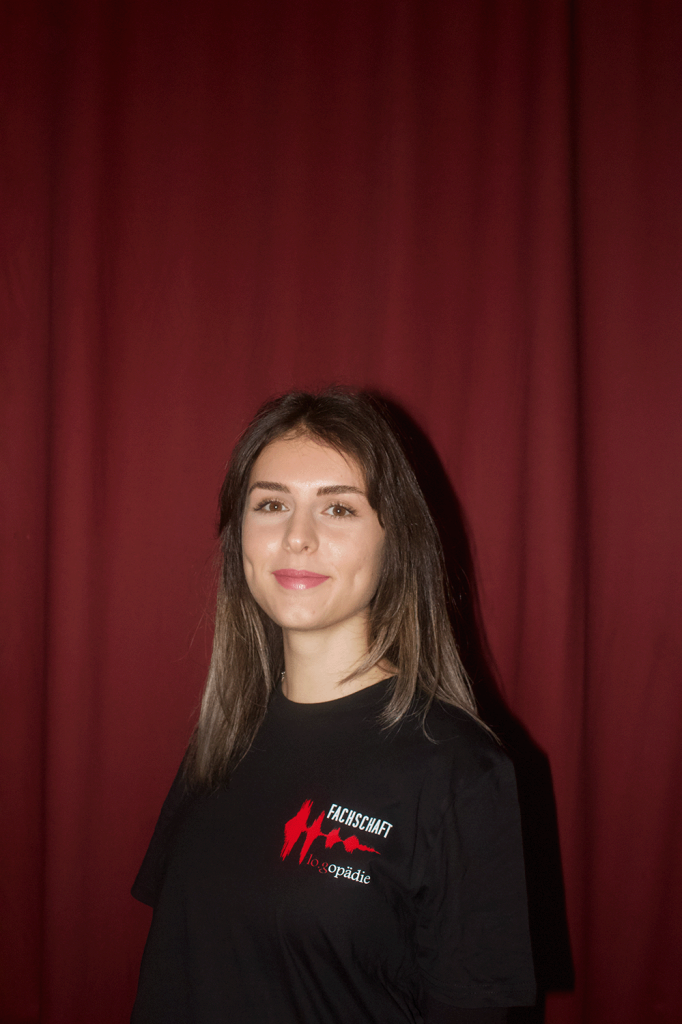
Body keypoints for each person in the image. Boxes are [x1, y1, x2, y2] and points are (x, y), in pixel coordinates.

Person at [130, 388, 536, 1024]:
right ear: (239, 535)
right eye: (271, 505)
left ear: (394, 542)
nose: (297, 538)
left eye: (339, 509)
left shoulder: (460, 772)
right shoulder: (224, 736)